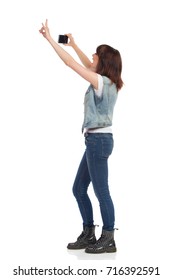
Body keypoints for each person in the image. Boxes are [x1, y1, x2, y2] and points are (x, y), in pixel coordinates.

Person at [39, 19, 123, 254]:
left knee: (101, 191)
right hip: (96, 142)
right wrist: (73, 44)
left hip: (98, 143)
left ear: (103, 62)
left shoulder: (100, 82)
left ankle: (108, 238)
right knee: (78, 189)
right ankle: (89, 233)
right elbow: (88, 65)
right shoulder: (108, 82)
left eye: (95, 55)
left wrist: (49, 39)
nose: (92, 58)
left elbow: (71, 64)